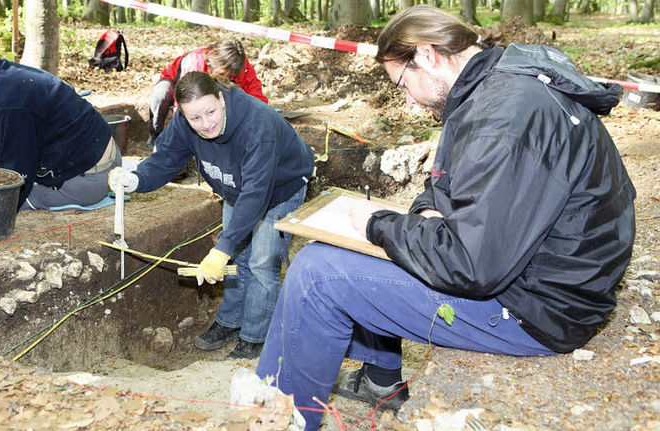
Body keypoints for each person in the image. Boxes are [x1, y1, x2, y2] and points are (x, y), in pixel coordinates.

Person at [254, 5, 635, 429]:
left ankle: (279, 419)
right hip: (543, 279)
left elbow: (473, 265)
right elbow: (441, 184)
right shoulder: (489, 89)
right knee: (378, 244)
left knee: (316, 272)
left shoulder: (503, 117)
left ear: (427, 54)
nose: (408, 101)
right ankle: (381, 378)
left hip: (540, 308)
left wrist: (377, 225)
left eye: (402, 83)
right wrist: (421, 214)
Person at [109, 71, 314, 359]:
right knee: (235, 258)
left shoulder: (256, 123)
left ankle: (255, 336)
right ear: (183, 113)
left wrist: (223, 246)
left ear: (221, 99)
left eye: (211, 112)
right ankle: (230, 321)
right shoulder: (185, 122)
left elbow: (256, 192)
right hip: (235, 188)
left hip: (280, 188)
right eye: (195, 118)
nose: (205, 124)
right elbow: (166, 158)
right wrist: (137, 179)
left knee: (261, 263)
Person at [0, 26, 121, 210]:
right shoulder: (6, 77)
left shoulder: (9, 98)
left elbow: (17, 173)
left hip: (92, 176)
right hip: (98, 156)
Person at [146, 39, 268, 149]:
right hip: (174, 81)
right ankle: (155, 136)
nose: (226, 77)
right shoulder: (195, 63)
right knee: (161, 94)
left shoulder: (240, 65)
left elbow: (255, 94)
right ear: (212, 64)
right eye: (223, 74)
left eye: (230, 76)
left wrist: (260, 120)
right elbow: (184, 99)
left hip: (211, 88)